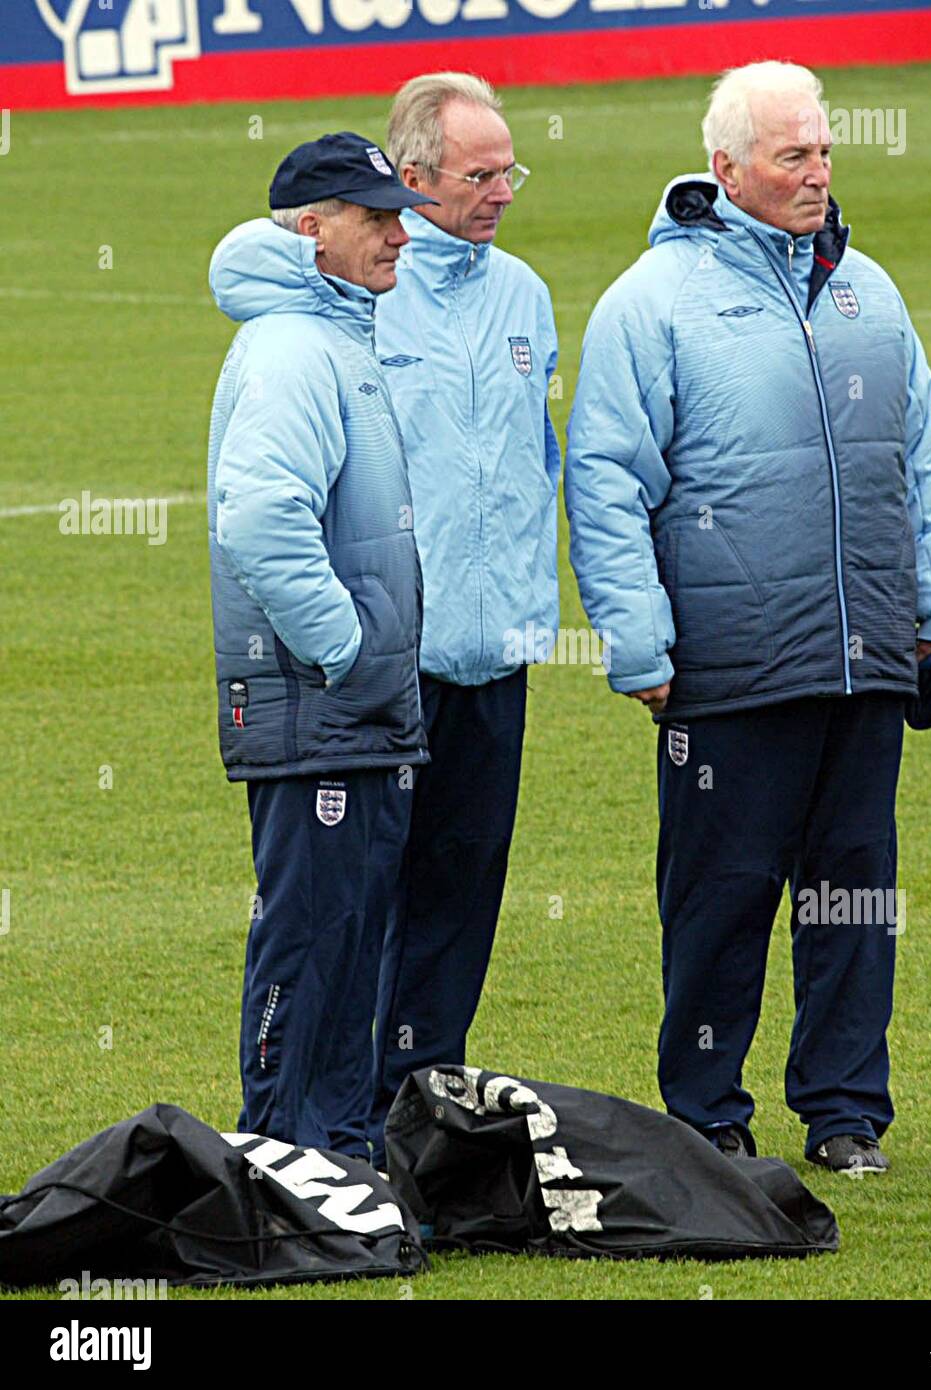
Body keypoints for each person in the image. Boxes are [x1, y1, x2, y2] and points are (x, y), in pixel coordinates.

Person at [565, 62, 931, 1176]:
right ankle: (704, 1111)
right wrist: (637, 638)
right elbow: (603, 480)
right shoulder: (650, 303)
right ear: (725, 167)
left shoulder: (868, 291)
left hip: (866, 650)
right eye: (791, 156)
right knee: (720, 894)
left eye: (824, 151)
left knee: (852, 892)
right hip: (728, 663)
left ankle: (844, 1110)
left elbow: (918, 460)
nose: (815, 173)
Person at [206, 132, 438, 1159]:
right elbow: (258, 518)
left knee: (350, 940)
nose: (399, 232)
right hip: (318, 705)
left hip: (352, 710)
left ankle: (334, 1156)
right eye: (375, 217)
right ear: (312, 231)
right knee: (311, 941)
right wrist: (346, 651)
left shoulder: (333, 334)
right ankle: (289, 1161)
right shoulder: (295, 348)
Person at [365, 73, 560, 1166]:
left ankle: (423, 1108)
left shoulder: (523, 294)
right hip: (388, 658)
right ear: (413, 176)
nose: (501, 192)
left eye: (507, 172)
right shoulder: (366, 286)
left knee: (461, 890)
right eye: (480, 175)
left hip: (496, 654)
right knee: (366, 896)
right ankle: (338, 1114)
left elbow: (538, 462)